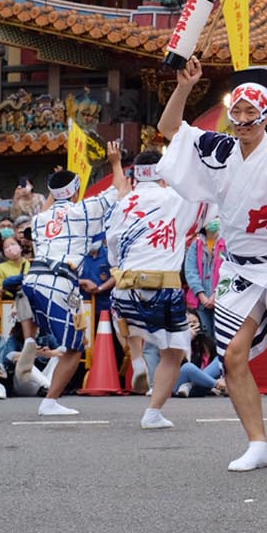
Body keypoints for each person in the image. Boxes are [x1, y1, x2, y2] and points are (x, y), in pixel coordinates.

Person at [157, 58, 267, 472]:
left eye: (251, 112)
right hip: (237, 267)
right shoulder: (218, 150)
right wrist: (184, 87)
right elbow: (170, 131)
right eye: (235, 112)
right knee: (233, 356)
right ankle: (258, 443)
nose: (242, 120)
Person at [104, 149, 204, 430]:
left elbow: (111, 247)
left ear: (135, 173)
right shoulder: (177, 199)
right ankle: (153, 412)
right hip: (162, 288)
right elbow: (208, 208)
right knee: (173, 351)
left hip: (123, 289)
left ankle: (136, 359)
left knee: (131, 323)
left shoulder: (122, 203)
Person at [22, 150, 124, 418]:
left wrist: (53, 189)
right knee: (75, 346)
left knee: (57, 334)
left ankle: (29, 341)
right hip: (59, 282)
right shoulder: (82, 209)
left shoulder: (39, 219)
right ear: (77, 190)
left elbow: (50, 203)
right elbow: (119, 189)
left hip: (32, 278)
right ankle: (50, 400)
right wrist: (115, 162)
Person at [184, 219, 221, 347]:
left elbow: (229, 270)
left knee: (222, 339)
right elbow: (190, 271)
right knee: (205, 338)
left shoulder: (226, 243)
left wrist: (216, 293)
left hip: (221, 300)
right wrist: (201, 295)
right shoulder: (196, 244)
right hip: (200, 302)